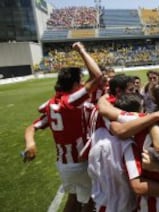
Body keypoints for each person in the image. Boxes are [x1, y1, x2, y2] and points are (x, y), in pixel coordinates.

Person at [23, 42, 103, 212]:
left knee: (72, 200)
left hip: (63, 164)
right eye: (80, 81)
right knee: (90, 201)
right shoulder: (71, 101)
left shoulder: (53, 104)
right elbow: (97, 77)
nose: (82, 84)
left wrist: (30, 144)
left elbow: (31, 127)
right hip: (80, 162)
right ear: (74, 84)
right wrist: (81, 50)